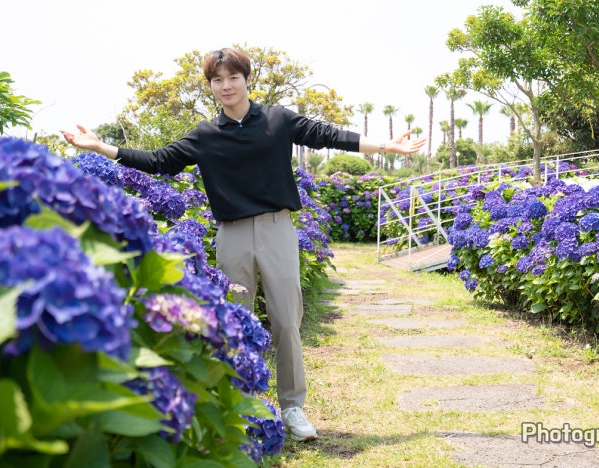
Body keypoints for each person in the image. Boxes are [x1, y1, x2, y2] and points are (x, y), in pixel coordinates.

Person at [61, 47, 426, 441]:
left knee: (286, 320)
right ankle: (241, 406)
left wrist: (386, 147)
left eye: (233, 77)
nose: (226, 86)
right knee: (236, 319)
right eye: (217, 80)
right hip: (231, 233)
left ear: (246, 79)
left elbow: (328, 135)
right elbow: (158, 160)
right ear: (210, 86)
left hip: (277, 229)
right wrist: (100, 147)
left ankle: (292, 407)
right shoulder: (205, 135)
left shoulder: (277, 119)